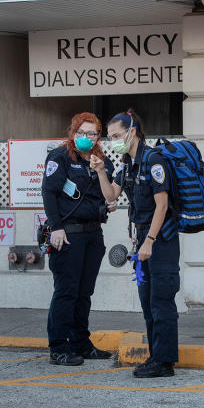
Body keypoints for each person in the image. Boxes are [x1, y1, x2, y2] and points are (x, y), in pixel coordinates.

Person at [92, 109, 179, 378]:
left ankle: (164, 362)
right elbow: (111, 196)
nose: (114, 140)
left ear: (132, 131)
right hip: (142, 239)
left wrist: (150, 242)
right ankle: (156, 356)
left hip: (160, 240)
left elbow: (162, 205)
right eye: (111, 136)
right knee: (146, 300)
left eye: (117, 135)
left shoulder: (154, 161)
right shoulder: (127, 164)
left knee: (161, 300)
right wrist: (100, 172)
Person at [41, 113, 115, 366]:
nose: (86, 137)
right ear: (73, 133)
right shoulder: (60, 157)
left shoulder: (100, 161)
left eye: (92, 133)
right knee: (66, 292)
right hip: (68, 235)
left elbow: (107, 194)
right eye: (81, 133)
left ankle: (81, 342)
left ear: (98, 136)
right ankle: (59, 347)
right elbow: (49, 193)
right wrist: (56, 228)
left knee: (84, 293)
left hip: (93, 234)